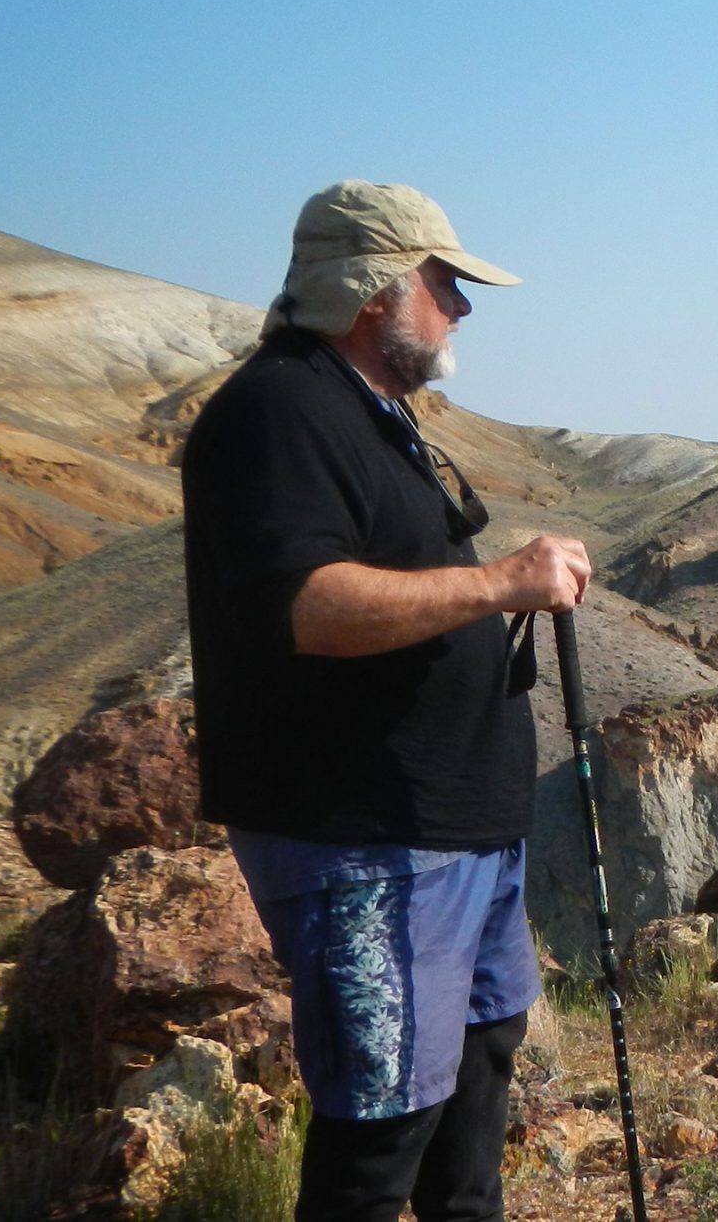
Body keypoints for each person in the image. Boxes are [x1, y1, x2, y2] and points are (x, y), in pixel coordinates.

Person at [181, 181, 590, 1221]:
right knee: (381, 1129)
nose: (460, 307)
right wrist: (502, 581)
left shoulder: (366, 410)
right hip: (369, 839)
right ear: (374, 291)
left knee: (477, 1080)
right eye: (444, 282)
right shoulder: (277, 410)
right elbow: (310, 605)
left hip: (450, 832)